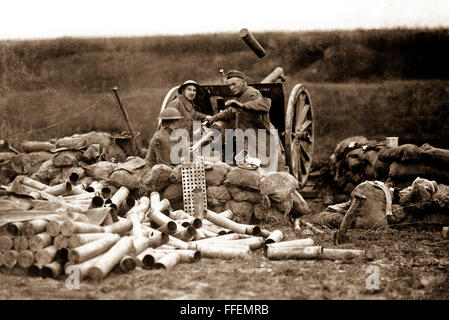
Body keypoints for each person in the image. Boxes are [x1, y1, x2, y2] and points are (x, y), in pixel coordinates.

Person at [205, 70, 286, 171]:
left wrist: (243, 106)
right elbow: (230, 112)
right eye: (229, 85)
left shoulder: (252, 93)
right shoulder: (240, 97)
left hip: (260, 138)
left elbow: (265, 105)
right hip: (248, 139)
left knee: (264, 170)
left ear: (243, 82)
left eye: (234, 84)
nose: (231, 88)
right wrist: (214, 118)